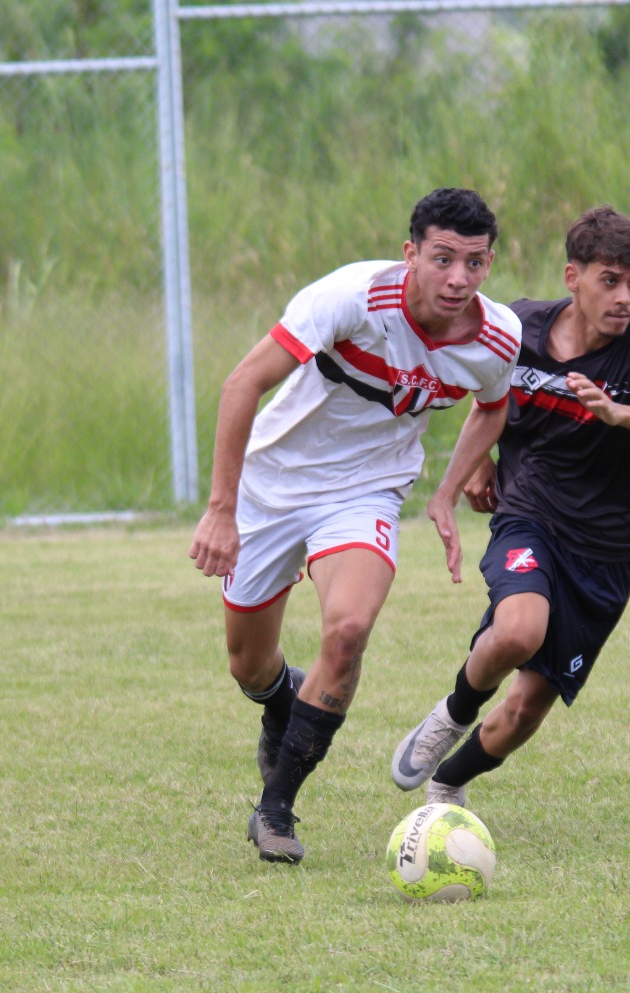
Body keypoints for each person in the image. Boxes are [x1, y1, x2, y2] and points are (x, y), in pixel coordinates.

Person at [189, 188, 521, 864]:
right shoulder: (352, 298)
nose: (458, 278)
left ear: (490, 263)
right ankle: (280, 700)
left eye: (475, 263)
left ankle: (275, 809)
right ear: (410, 255)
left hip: (366, 491)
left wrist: (448, 489)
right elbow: (242, 384)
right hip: (272, 484)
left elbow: (493, 406)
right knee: (248, 663)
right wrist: (221, 508)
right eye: (443, 259)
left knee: (346, 633)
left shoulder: (496, 337)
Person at [389, 205, 630, 809]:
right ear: (572, 277)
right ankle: (453, 712)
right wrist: (478, 465)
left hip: (607, 547)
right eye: (610, 280)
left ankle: (448, 784)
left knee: (527, 708)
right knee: (517, 630)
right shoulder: (519, 329)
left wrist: (618, 412)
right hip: (528, 514)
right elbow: (486, 398)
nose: (625, 298)